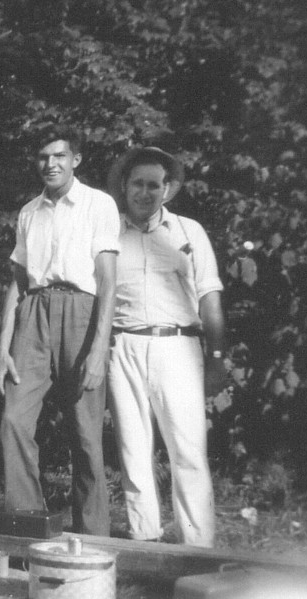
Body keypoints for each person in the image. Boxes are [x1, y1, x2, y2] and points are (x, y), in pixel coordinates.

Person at [0, 126, 119, 536]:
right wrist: (3, 346)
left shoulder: (98, 204)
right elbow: (17, 281)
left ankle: (94, 539)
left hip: (81, 313)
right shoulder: (29, 212)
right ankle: (29, 527)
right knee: (14, 419)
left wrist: (99, 349)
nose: (50, 164)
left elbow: (107, 280)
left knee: (85, 433)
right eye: (43, 157)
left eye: (59, 156)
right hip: (33, 314)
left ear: (76, 160)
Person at [105, 146, 225, 547]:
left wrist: (218, 356)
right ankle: (145, 545)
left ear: (167, 190)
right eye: (137, 183)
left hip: (179, 347)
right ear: (125, 186)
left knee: (188, 451)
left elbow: (209, 296)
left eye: (153, 185)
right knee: (133, 451)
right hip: (123, 346)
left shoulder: (189, 232)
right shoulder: (108, 233)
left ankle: (197, 548)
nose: (145, 192)